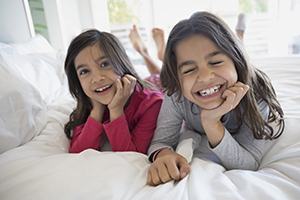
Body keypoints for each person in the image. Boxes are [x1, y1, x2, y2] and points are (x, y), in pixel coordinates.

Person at [146, 11, 285, 186]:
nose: (205, 77)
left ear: (236, 61)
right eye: (189, 70)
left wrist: (212, 123)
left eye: (216, 62)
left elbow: (249, 163)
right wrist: (164, 154)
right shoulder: (177, 95)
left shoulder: (256, 92)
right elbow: (161, 142)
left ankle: (240, 28)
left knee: (238, 41)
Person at [64, 29, 164, 154]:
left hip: (157, 86)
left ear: (122, 63)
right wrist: (97, 110)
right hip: (140, 84)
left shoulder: (152, 103)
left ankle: (152, 54)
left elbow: (131, 154)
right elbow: (78, 153)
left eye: (104, 64)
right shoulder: (91, 100)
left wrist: (116, 110)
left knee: (165, 78)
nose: (97, 78)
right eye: (84, 71)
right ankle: (143, 51)